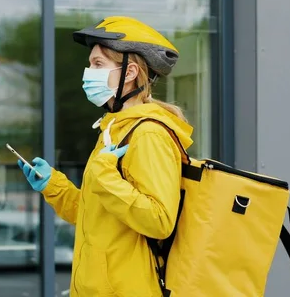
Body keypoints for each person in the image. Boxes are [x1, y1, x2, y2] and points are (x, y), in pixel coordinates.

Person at [18, 16, 194, 296]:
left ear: (130, 72)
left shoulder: (149, 134)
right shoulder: (113, 130)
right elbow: (96, 213)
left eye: (98, 64)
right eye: (90, 64)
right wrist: (54, 186)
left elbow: (159, 221)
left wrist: (104, 174)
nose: (88, 72)